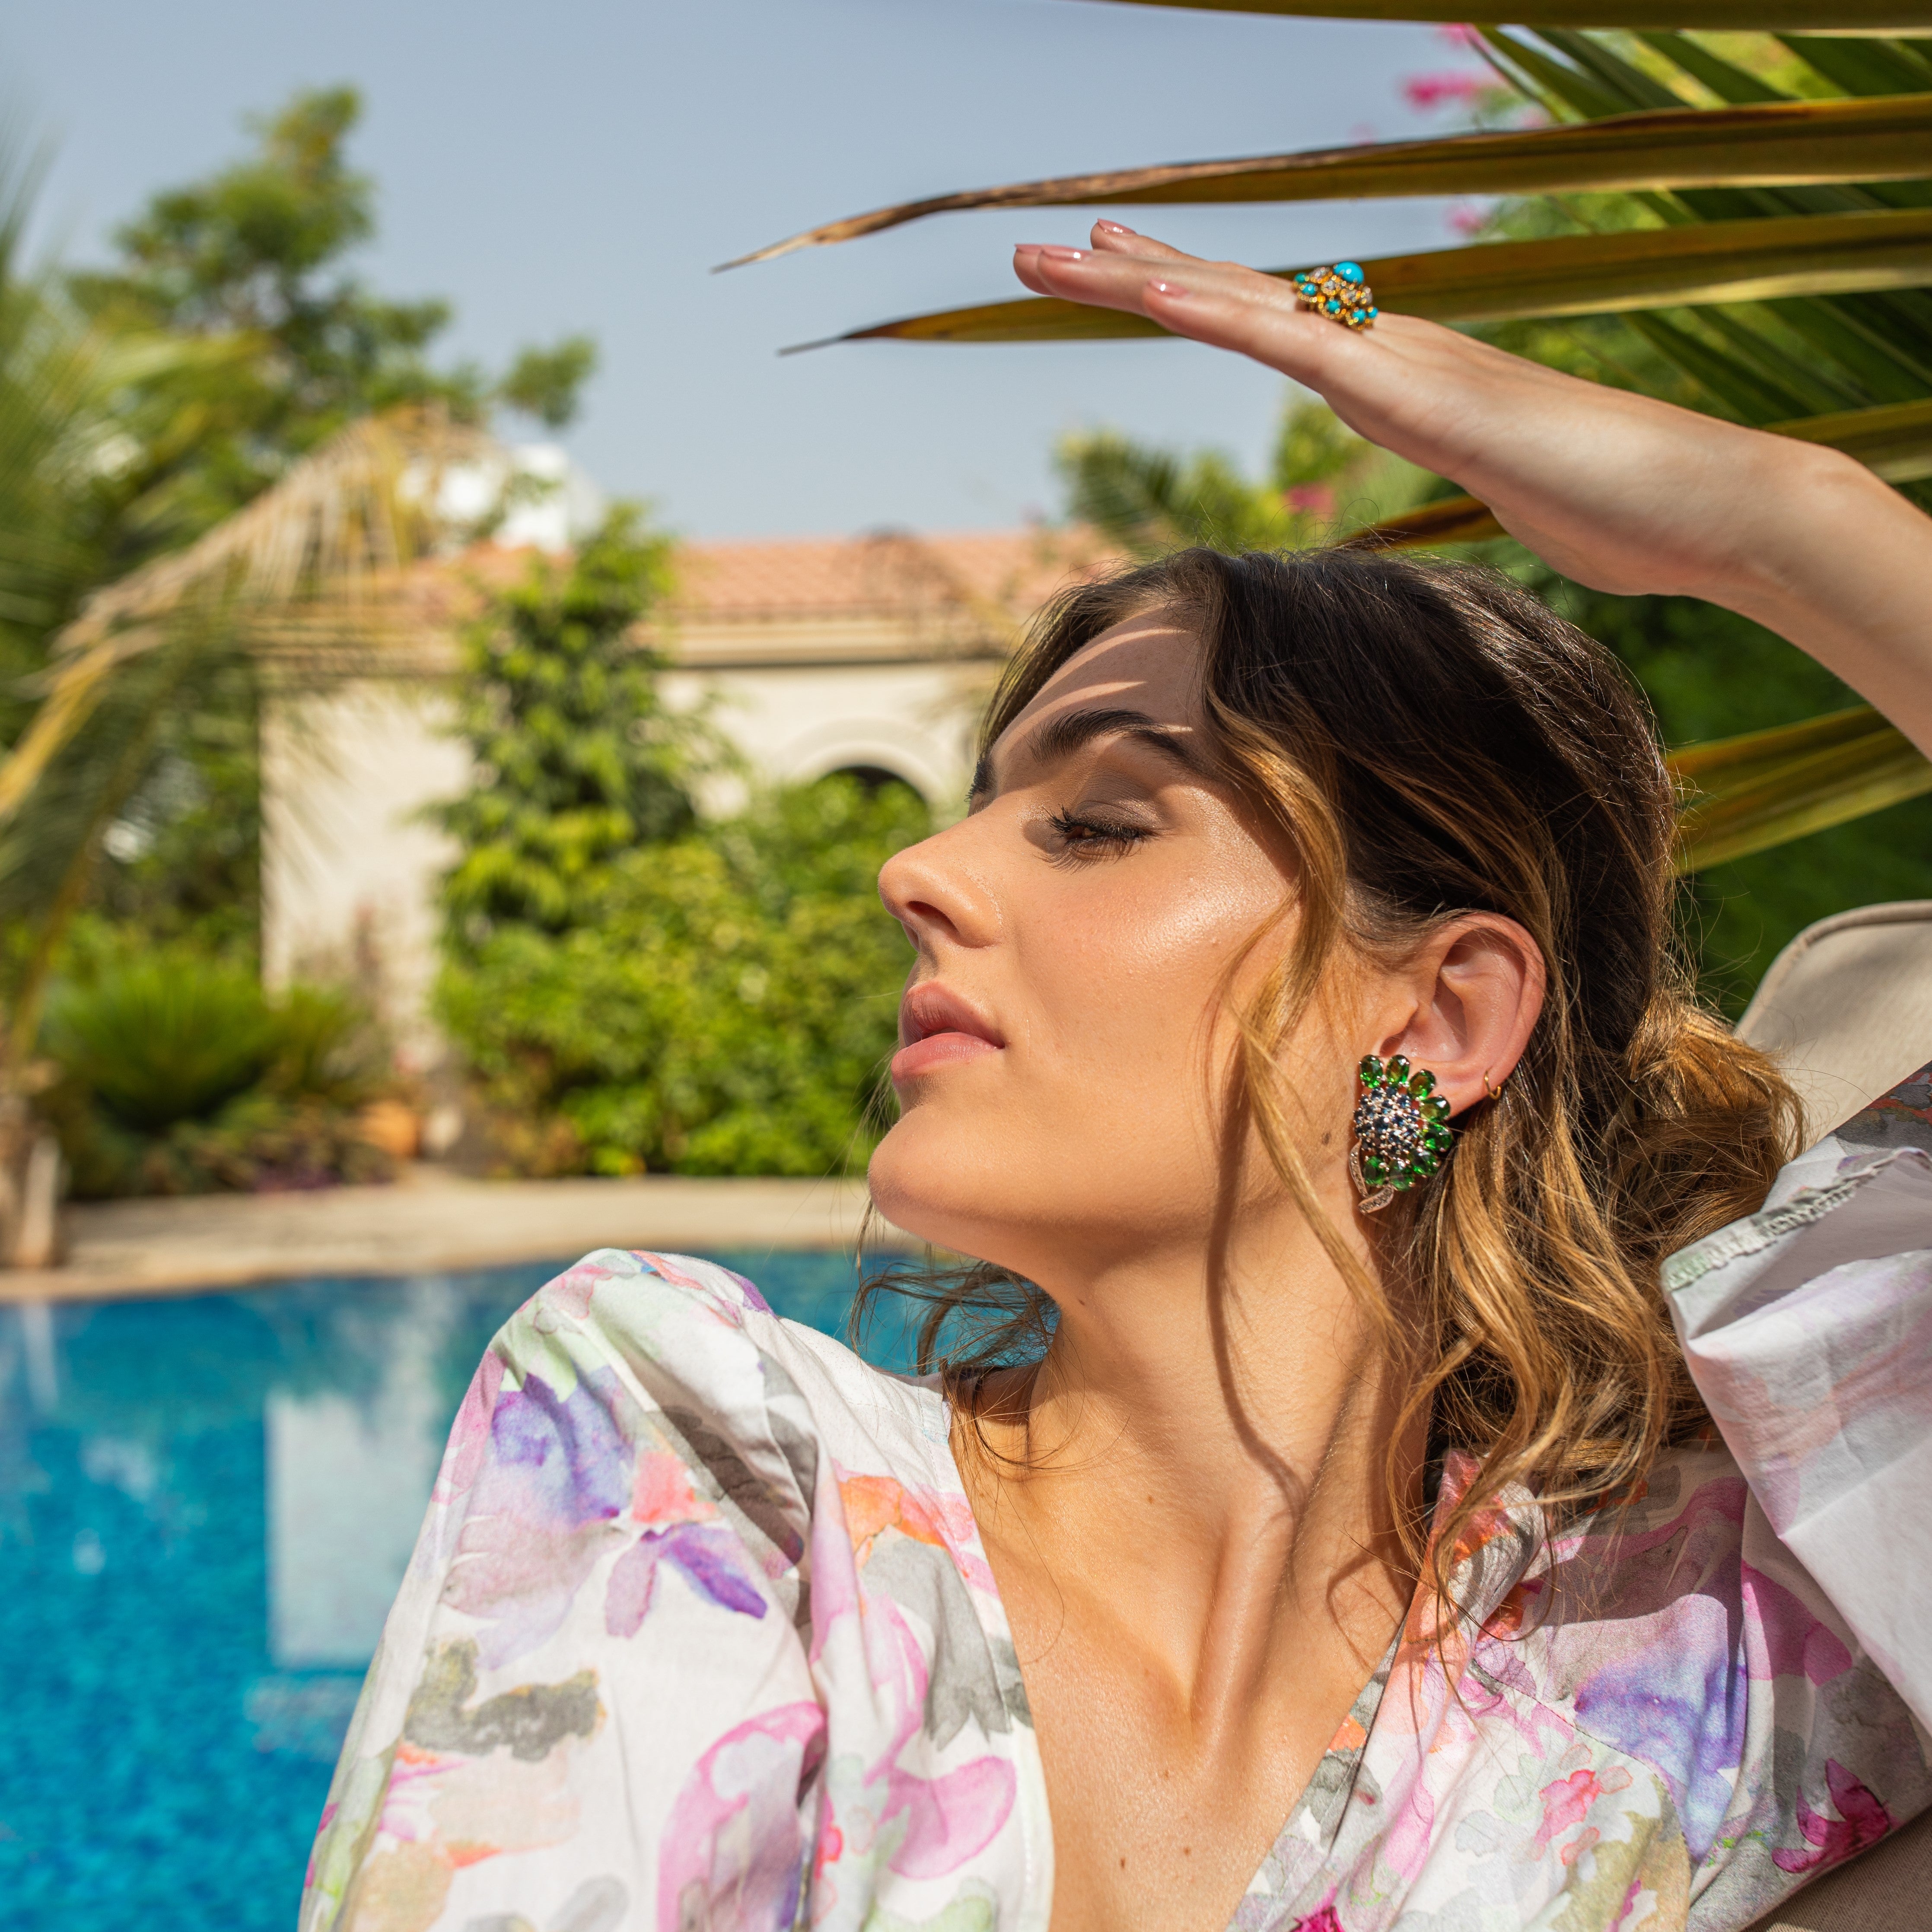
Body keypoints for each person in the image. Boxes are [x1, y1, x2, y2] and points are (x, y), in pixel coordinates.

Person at [299, 226, 1932, 1932]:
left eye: (1094, 821)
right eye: (978, 800)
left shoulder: (1705, 1644)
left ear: (1438, 1018)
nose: (914, 870)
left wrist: (1785, 520)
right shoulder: (712, 1461)